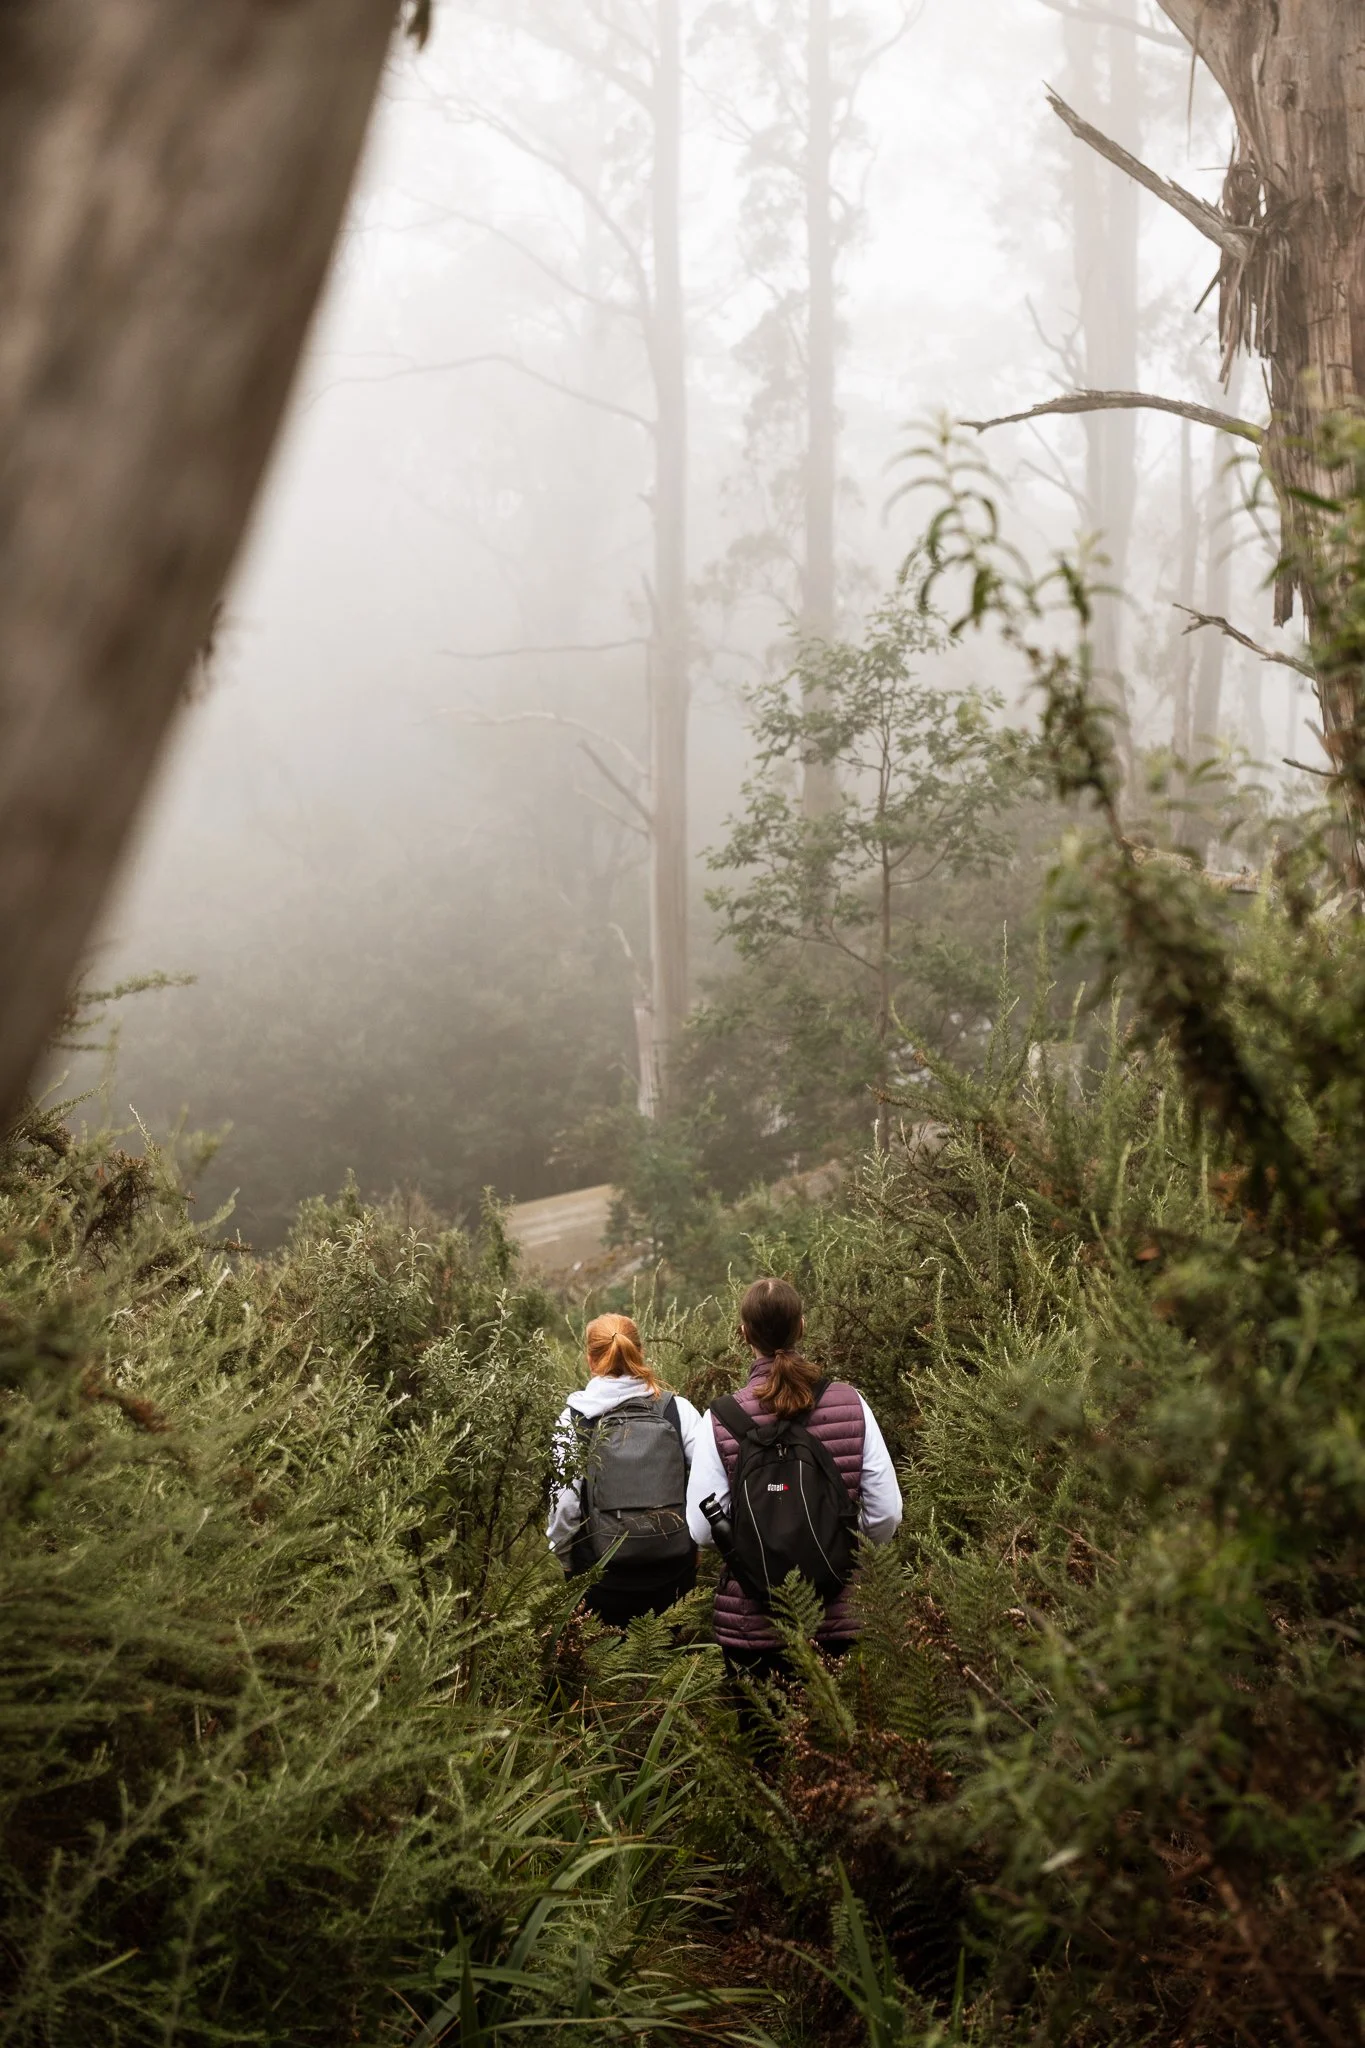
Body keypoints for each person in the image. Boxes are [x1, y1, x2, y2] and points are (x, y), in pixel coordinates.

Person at [685, 1276, 902, 1683]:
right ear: (802, 1326)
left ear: (743, 1333)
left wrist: (760, 1559)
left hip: (752, 1626)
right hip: (840, 1617)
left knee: (767, 1745)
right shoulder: (851, 1402)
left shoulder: (719, 1418)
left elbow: (701, 1528)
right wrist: (838, 1558)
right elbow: (886, 1513)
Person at [548, 1312, 701, 1627]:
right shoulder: (678, 1410)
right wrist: (696, 1548)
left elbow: (564, 1506)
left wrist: (568, 1563)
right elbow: (708, 1486)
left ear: (590, 1360)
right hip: (673, 1576)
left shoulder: (572, 1420)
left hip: (600, 1579)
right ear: (640, 1352)